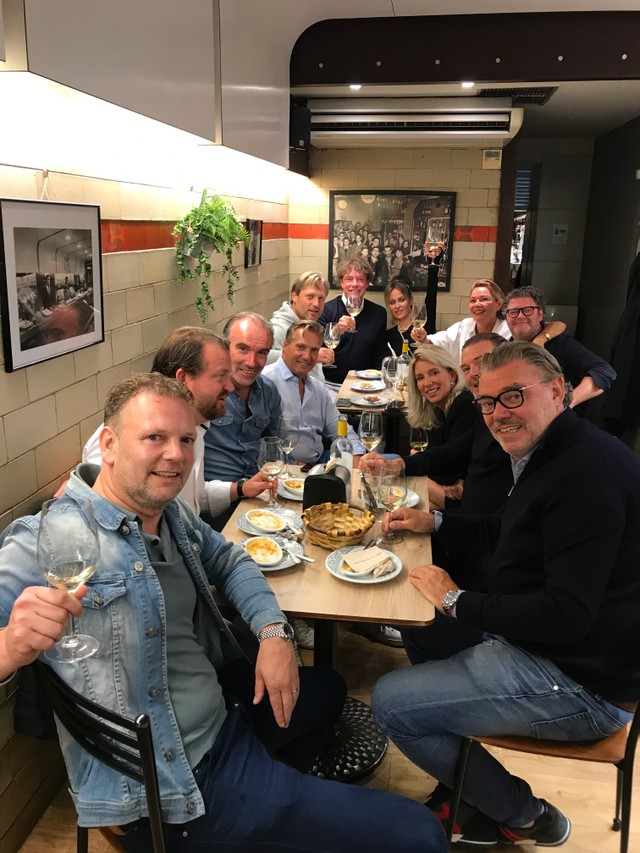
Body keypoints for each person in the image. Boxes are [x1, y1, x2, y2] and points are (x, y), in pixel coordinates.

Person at [0, 374, 446, 853]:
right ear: (108, 444)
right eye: (155, 437)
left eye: (186, 439)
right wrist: (8, 648)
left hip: (221, 715)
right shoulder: (44, 539)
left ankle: (268, 811)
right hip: (179, 781)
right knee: (418, 832)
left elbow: (230, 560)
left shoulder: (167, 511)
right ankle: (255, 811)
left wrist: (275, 634)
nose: (176, 454)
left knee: (327, 688)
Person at [372, 342, 640, 847]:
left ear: (557, 390)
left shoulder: (586, 474)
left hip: (581, 681)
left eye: (513, 396)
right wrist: (435, 521)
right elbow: (510, 529)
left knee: (391, 704)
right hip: (541, 641)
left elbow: (565, 616)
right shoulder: (553, 451)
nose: (498, 414)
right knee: (419, 624)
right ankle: (468, 781)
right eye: (489, 403)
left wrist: (456, 599)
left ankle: (524, 812)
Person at [82, 326, 275, 518]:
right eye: (220, 376)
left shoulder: (195, 425)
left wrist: (241, 489)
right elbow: (99, 515)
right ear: (183, 378)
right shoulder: (124, 432)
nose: (230, 387)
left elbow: (191, 500)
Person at [263, 320, 365, 465]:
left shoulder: (317, 388)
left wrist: (357, 456)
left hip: (321, 461)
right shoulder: (267, 382)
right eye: (301, 347)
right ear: (285, 346)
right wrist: (292, 464)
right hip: (286, 468)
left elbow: (342, 430)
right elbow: (261, 443)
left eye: (314, 350)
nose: (307, 356)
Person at [203, 312, 281, 496]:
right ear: (224, 347)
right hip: (215, 502)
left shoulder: (269, 391)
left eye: (262, 352)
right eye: (243, 349)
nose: (252, 362)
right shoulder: (204, 392)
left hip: (259, 496)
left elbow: (277, 446)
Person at [503, 285, 616, 408]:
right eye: (514, 311)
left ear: (540, 314)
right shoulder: (503, 350)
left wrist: (567, 403)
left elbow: (604, 371)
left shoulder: (560, 343)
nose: (520, 316)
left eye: (528, 310)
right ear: (506, 317)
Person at [402, 343, 479, 509]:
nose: (427, 383)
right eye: (420, 378)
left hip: (469, 501)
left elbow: (449, 468)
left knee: (404, 487)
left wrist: (417, 465)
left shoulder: (464, 405)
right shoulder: (436, 408)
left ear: (451, 375)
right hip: (451, 495)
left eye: (434, 373)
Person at [319, 257, 388, 386]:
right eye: (349, 279)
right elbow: (317, 349)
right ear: (341, 283)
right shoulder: (325, 310)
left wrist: (376, 384)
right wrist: (337, 330)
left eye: (360, 279)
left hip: (365, 384)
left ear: (367, 283)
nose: (354, 284)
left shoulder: (379, 313)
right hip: (330, 384)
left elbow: (379, 355)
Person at [412, 279, 510, 362]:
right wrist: (423, 338)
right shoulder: (464, 326)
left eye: (484, 299)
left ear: (498, 304)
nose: (477, 304)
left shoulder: (508, 331)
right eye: (473, 300)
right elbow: (437, 343)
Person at [267, 271, 335, 380]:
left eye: (321, 298)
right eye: (310, 296)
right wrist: (310, 355)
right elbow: (264, 357)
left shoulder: (307, 324)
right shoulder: (278, 327)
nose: (316, 304)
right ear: (294, 296)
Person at [384, 278, 418, 356]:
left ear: (411, 300)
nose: (397, 306)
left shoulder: (421, 332)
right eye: (392, 302)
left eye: (401, 300)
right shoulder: (388, 335)